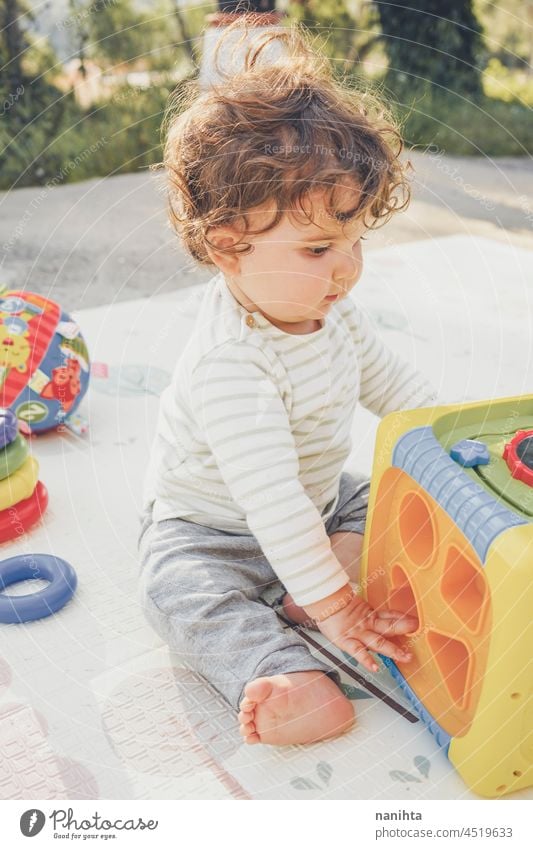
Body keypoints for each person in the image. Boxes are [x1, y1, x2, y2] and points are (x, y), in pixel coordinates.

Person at [138, 18, 437, 747]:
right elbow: (269, 502)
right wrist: (341, 609)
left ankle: (319, 566)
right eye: (317, 246)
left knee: (390, 489)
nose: (346, 267)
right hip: (212, 532)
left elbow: (397, 389)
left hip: (317, 495)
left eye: (354, 238)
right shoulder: (229, 365)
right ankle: (276, 671)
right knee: (180, 594)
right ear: (229, 248)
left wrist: (456, 432)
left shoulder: (329, 307)